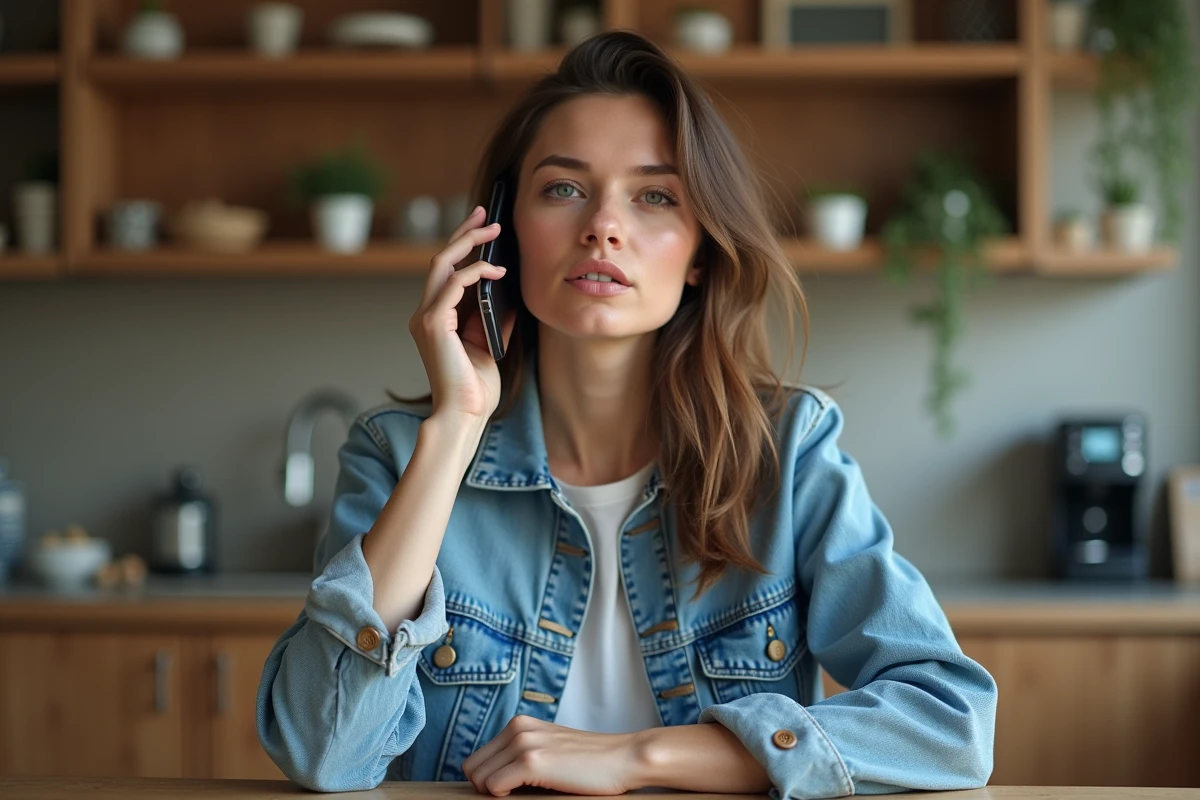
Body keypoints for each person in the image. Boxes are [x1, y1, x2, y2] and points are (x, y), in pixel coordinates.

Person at [257, 30, 997, 799]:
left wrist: (641, 757)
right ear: (500, 236)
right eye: (564, 188)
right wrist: (455, 428)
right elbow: (325, 754)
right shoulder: (396, 454)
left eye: (655, 196)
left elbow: (951, 726)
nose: (603, 225)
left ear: (702, 252)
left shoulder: (788, 451)